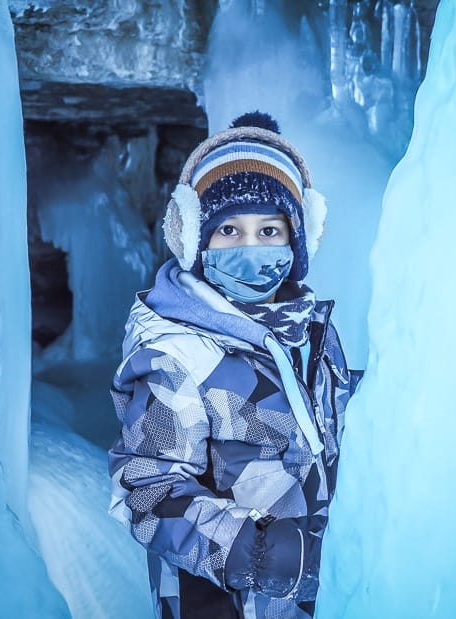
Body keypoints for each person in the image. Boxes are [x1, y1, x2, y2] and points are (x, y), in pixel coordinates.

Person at [108, 112, 361, 619]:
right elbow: (146, 488)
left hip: (314, 596)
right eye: (229, 229)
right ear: (194, 240)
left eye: (270, 229)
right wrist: (251, 546)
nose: (252, 247)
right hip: (223, 603)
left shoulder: (308, 329)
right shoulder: (176, 353)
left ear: (299, 240)